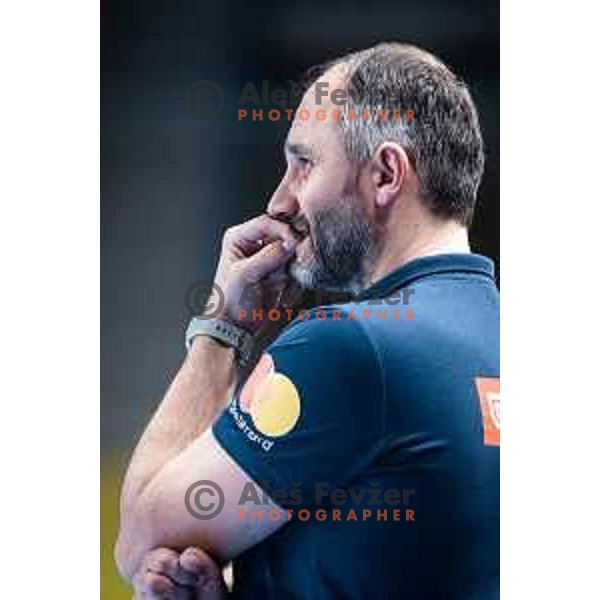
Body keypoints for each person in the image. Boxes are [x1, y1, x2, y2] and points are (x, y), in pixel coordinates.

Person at [116, 42, 500, 599]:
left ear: (387, 174)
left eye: (304, 164)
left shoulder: (348, 345)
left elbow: (141, 538)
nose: (280, 201)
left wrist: (223, 327)